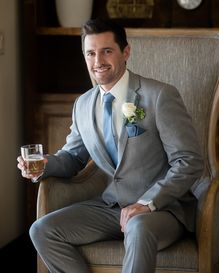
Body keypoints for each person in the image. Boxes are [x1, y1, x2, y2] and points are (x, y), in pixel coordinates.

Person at [17, 18, 204, 273]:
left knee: (138, 226)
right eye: (90, 53)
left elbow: (188, 161)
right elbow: (73, 158)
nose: (98, 61)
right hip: (110, 208)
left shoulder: (159, 95)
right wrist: (44, 166)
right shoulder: (82, 105)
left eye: (107, 51)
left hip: (162, 210)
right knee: (42, 230)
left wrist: (147, 203)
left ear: (125, 52)